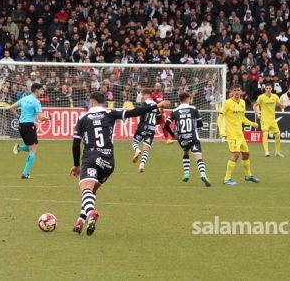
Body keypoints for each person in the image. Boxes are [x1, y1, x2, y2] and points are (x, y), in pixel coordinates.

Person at [70, 91, 170, 235]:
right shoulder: (110, 113)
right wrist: (157, 105)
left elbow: (75, 144)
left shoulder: (83, 118)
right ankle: (81, 219)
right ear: (102, 102)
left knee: (85, 188)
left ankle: (91, 213)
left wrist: (76, 165)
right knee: (91, 191)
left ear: (91, 102)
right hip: (108, 162)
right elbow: (135, 112)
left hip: (91, 158)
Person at [164, 92, 211, 186]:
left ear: (180, 100)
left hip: (181, 138)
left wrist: (172, 135)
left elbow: (166, 125)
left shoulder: (175, 110)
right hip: (193, 136)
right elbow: (200, 124)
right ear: (188, 99)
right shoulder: (193, 108)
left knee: (186, 152)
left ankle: (186, 173)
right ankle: (203, 174)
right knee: (198, 156)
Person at [218, 84, 261, 185]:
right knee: (236, 154)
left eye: (238, 90)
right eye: (235, 90)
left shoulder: (242, 102)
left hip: (240, 134)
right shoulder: (227, 103)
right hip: (231, 134)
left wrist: (252, 124)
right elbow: (220, 117)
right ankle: (227, 179)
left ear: (241, 92)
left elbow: (242, 117)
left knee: (246, 154)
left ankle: (248, 176)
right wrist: (222, 131)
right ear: (232, 92)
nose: (236, 92)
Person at [9, 83, 50, 179]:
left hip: (21, 126)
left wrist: (18, 117)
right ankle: (25, 174)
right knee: (33, 150)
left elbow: (11, 107)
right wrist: (48, 118)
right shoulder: (36, 102)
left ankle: (18, 147)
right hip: (29, 126)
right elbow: (40, 118)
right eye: (41, 90)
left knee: (32, 147)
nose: (43, 91)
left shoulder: (24, 99)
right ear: (36, 90)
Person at [131, 88, 160, 173]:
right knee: (146, 148)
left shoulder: (144, 104)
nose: (142, 97)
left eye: (142, 95)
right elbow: (158, 118)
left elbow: (140, 112)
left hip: (143, 126)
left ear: (146, 94)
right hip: (152, 128)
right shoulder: (156, 104)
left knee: (134, 142)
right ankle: (142, 163)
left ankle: (137, 150)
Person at [254, 82, 285, 158]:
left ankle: (277, 152)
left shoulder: (275, 96)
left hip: (272, 120)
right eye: (267, 88)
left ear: (272, 89)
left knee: (277, 135)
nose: (268, 90)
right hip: (264, 119)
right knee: (265, 134)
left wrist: (282, 105)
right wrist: (258, 113)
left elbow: (280, 104)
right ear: (265, 89)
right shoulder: (261, 97)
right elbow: (255, 105)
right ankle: (266, 152)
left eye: (269, 88)